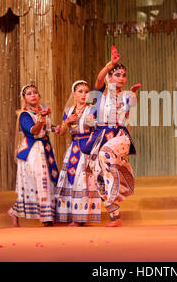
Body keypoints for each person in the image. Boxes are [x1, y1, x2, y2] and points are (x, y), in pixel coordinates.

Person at [81, 46, 141, 227]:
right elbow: (99, 78)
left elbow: (128, 112)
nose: (121, 78)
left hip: (119, 135)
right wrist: (110, 64)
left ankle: (116, 188)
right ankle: (115, 216)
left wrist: (133, 96)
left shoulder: (127, 95)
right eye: (117, 74)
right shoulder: (99, 93)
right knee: (98, 175)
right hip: (100, 135)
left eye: (123, 75)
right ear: (109, 78)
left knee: (105, 154)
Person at [8, 84, 59, 227]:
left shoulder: (41, 111)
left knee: (47, 180)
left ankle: (16, 211)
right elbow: (35, 131)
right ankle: (45, 217)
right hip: (34, 150)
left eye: (35, 92)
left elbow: (48, 127)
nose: (33, 95)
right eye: (29, 93)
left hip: (45, 148)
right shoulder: (24, 115)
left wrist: (58, 128)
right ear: (24, 98)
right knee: (40, 180)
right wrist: (41, 118)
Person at [54, 80, 101, 226]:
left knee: (84, 182)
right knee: (71, 179)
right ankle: (71, 214)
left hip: (87, 147)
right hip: (74, 148)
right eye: (80, 91)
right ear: (74, 94)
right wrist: (66, 122)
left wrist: (92, 123)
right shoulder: (69, 111)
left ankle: (81, 218)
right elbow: (62, 133)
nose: (84, 94)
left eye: (87, 91)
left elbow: (98, 129)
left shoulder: (92, 109)